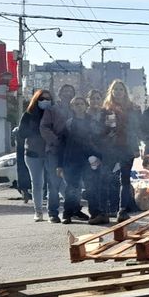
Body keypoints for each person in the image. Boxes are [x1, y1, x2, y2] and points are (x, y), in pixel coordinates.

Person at [102, 80, 142, 223]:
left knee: (125, 179)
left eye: (121, 89)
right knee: (106, 178)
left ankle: (122, 210)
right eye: (115, 89)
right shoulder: (106, 108)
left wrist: (136, 148)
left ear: (125, 92)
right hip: (111, 148)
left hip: (127, 148)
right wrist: (107, 132)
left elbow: (136, 129)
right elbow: (101, 130)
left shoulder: (132, 108)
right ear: (111, 92)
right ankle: (106, 209)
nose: (118, 92)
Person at [57, 96, 101, 224]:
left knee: (91, 187)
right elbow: (62, 145)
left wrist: (99, 157)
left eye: (81, 103)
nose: (79, 106)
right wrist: (60, 165)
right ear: (72, 107)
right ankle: (67, 214)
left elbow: (99, 142)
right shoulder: (69, 124)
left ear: (86, 106)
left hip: (89, 161)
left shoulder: (93, 123)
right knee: (72, 188)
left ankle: (95, 214)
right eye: (76, 104)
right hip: (71, 161)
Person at [40, 84, 78, 223]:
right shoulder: (52, 109)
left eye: (70, 91)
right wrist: (56, 141)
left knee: (73, 183)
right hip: (54, 151)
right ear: (59, 93)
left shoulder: (76, 109)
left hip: (72, 152)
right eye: (65, 91)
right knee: (54, 183)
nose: (68, 93)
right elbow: (44, 127)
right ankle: (53, 212)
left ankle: (73, 210)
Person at [17, 89, 52, 222]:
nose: (45, 101)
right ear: (36, 100)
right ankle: (38, 212)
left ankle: (59, 209)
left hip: (50, 153)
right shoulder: (28, 115)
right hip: (33, 154)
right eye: (42, 99)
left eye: (48, 99)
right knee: (37, 183)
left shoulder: (53, 113)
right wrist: (38, 130)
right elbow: (21, 133)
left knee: (56, 182)